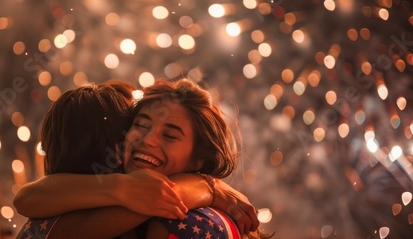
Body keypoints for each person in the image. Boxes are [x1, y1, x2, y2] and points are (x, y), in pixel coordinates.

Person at [14, 79, 264, 238]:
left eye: (169, 135)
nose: (148, 140)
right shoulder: (70, 214)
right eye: (140, 125)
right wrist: (204, 186)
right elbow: (26, 198)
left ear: (198, 159)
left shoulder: (188, 225)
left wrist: (203, 187)